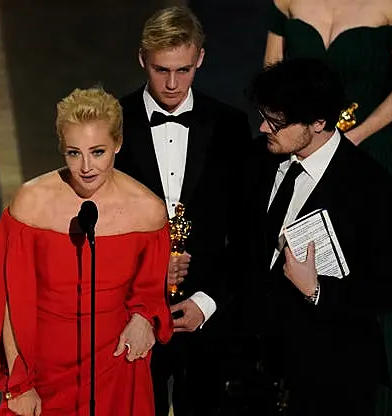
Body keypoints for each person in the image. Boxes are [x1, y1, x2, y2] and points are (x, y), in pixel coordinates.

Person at [226, 57, 392, 416]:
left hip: (332, 373)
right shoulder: (257, 158)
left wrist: (317, 290)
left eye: (277, 122)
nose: (263, 127)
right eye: (264, 115)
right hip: (254, 368)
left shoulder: (373, 189)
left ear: (319, 122)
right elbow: (241, 249)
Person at [0, 87, 173, 415]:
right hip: (42, 372)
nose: (86, 167)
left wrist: (143, 318)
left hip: (114, 366)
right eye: (74, 153)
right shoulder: (32, 202)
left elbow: (150, 292)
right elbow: (10, 301)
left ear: (118, 144)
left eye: (97, 152)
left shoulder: (149, 212)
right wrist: (20, 383)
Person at [114, 6, 251, 415]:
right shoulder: (114, 123)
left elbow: (247, 233)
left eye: (184, 70)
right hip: (131, 314)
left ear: (201, 60)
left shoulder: (229, 126)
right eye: (161, 70)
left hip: (207, 315)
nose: (172, 84)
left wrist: (208, 302)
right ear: (142, 59)